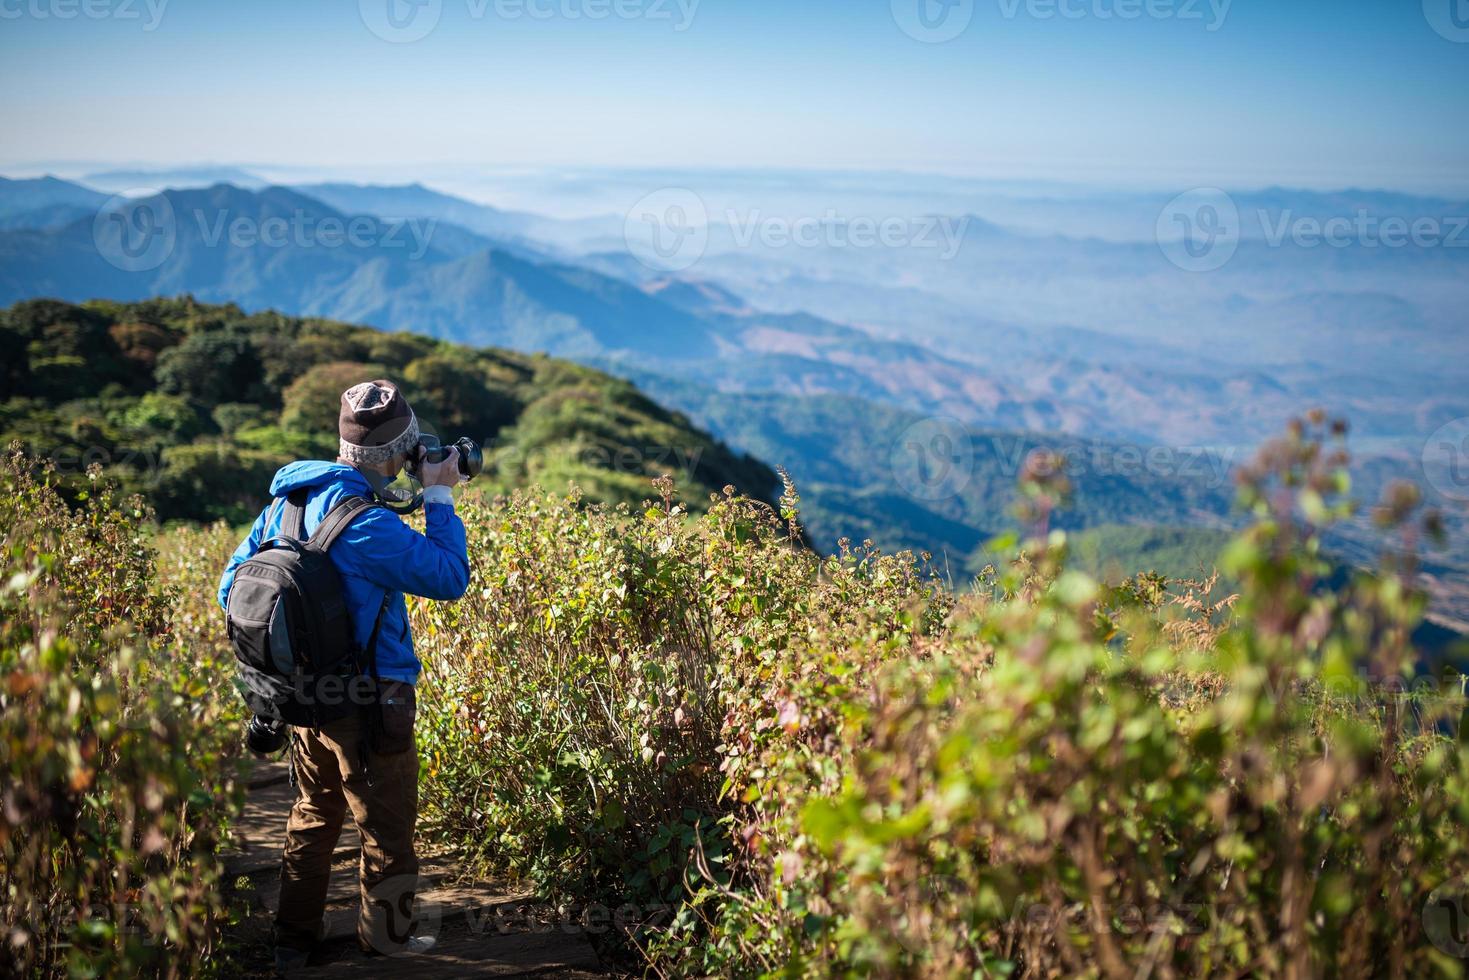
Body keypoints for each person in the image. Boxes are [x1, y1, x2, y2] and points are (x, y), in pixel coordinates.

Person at [218, 379, 470, 973]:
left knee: (312, 814)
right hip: (371, 708)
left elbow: (233, 587)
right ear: (396, 454)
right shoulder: (367, 526)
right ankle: (383, 950)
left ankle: (292, 941)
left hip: (301, 699)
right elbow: (449, 577)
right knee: (385, 832)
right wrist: (437, 497)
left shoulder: (285, 504)